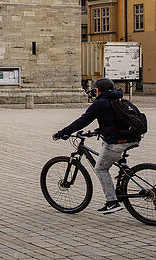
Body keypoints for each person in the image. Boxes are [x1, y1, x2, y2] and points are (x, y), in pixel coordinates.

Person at [53, 77, 139, 215]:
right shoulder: (120, 100)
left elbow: (81, 121)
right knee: (114, 159)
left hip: (117, 142)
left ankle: (112, 202)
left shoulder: (100, 103)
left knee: (100, 168)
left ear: (98, 90)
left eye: (95, 89)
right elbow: (114, 121)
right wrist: (98, 131)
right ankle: (124, 175)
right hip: (133, 138)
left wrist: (61, 133)